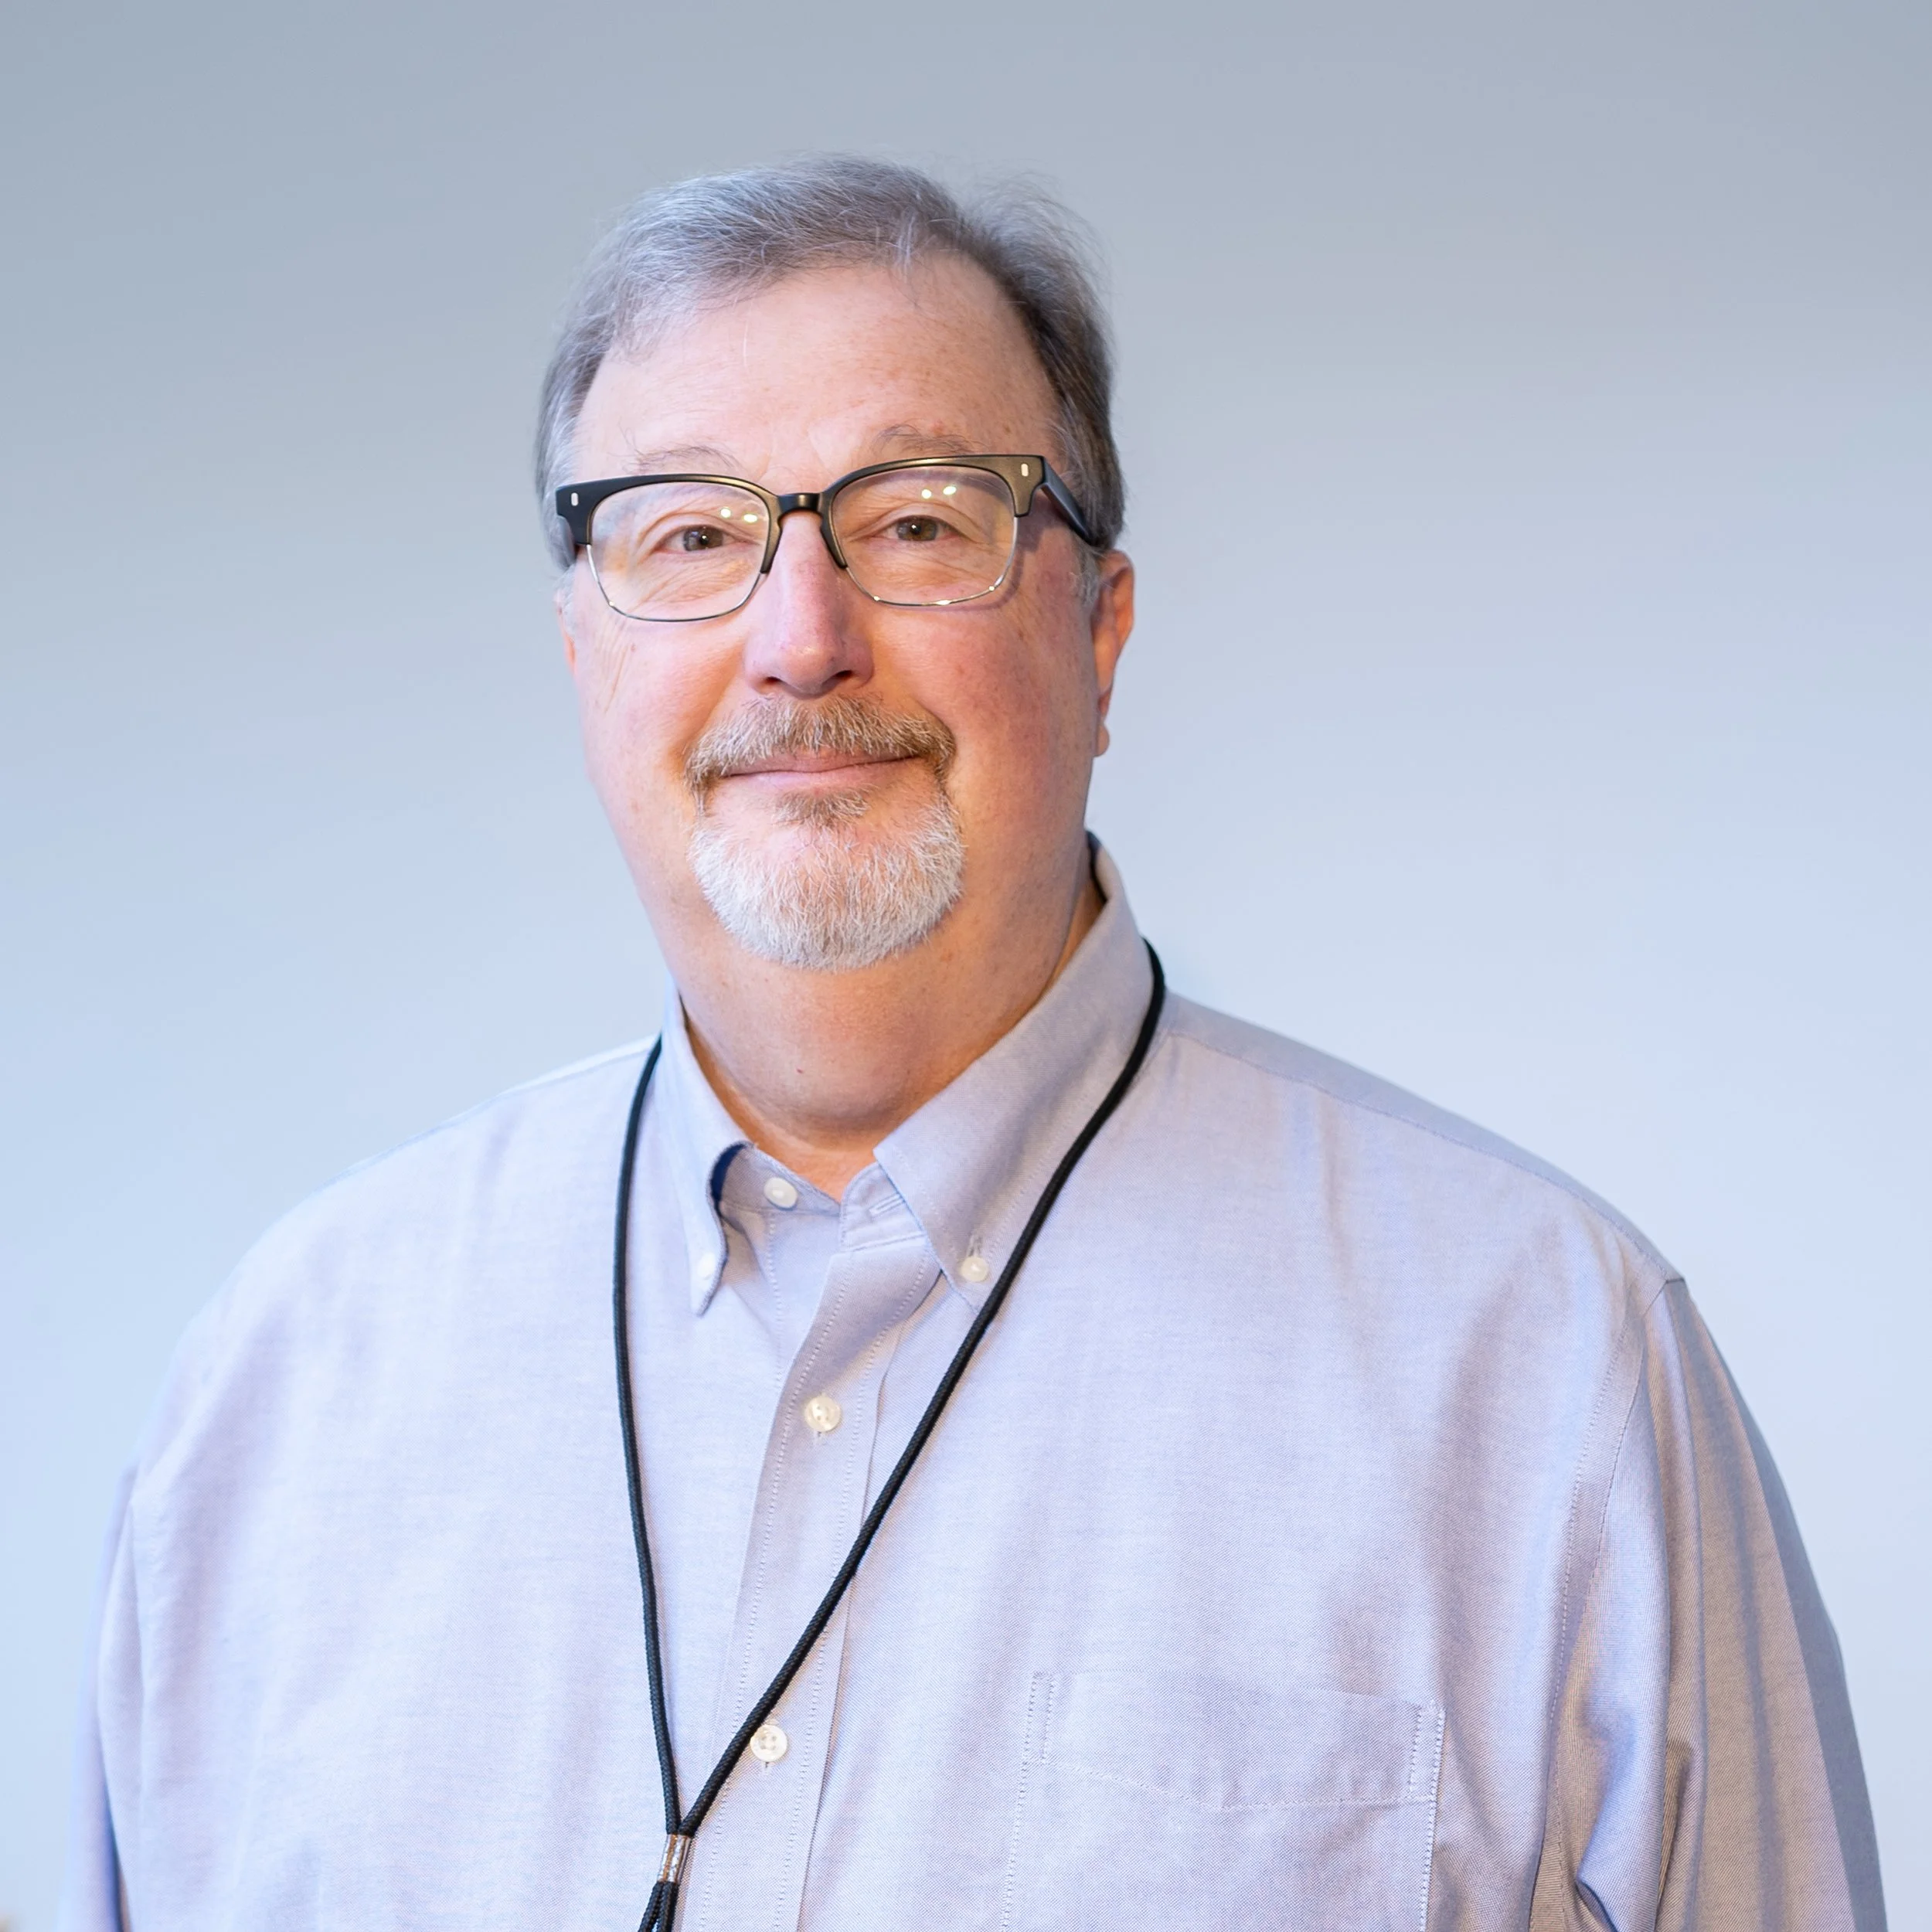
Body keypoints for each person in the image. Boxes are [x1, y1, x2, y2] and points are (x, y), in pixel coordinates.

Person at [60, 156, 1883, 1932]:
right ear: (579, 654)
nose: (799, 640)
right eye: (688, 534)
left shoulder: (1541, 1366)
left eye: (918, 521)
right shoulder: (279, 1392)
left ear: (1100, 630)